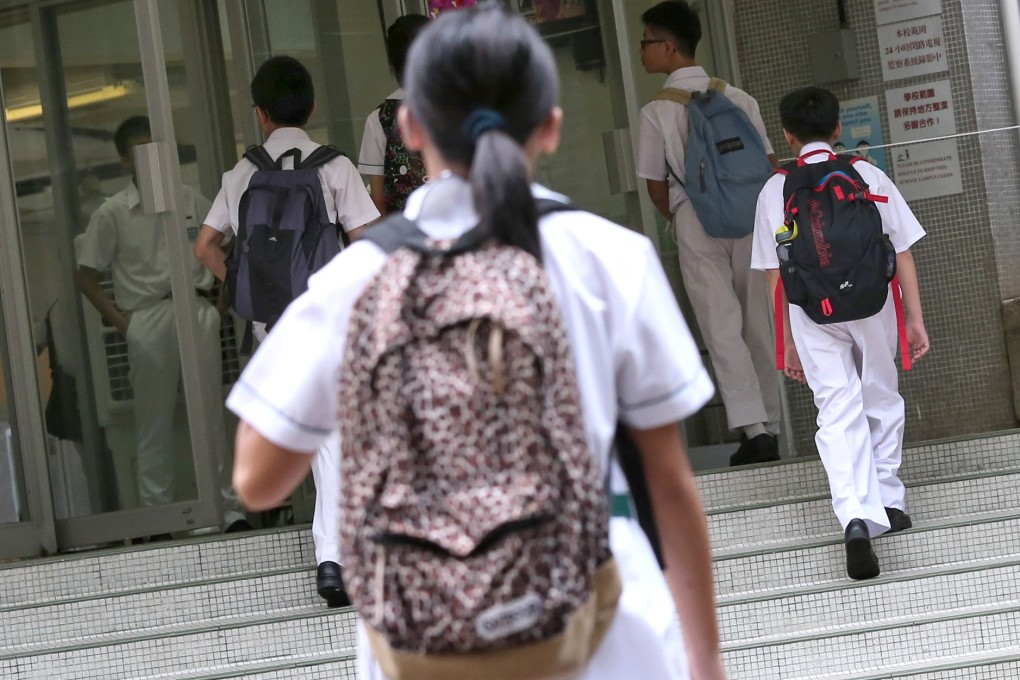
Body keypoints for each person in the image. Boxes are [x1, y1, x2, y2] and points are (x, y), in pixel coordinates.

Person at [228, 6, 725, 679]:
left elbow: (257, 480)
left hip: (422, 639)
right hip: (601, 633)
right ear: (549, 124)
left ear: (408, 126)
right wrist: (705, 660)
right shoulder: (611, 257)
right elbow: (668, 483)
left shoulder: (356, 278)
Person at [193, 56, 379, 606]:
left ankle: (336, 553)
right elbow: (367, 243)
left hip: (271, 320)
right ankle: (333, 558)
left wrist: (246, 284)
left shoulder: (242, 172)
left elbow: (204, 246)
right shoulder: (336, 167)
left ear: (260, 113)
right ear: (313, 106)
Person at [751, 86, 930, 579]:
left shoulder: (774, 190)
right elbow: (905, 251)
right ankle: (889, 501)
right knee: (879, 392)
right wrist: (913, 318)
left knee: (836, 408)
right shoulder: (866, 174)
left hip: (811, 310)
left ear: (787, 135)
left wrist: (785, 342)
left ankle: (854, 514)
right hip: (873, 302)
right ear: (837, 130)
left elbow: (774, 277)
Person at [75, 115, 248, 536]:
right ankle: (159, 517)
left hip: (196, 309)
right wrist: (124, 324)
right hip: (147, 316)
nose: (152, 158)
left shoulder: (190, 199)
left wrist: (220, 303)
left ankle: (226, 511)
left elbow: (227, 244)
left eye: (157, 148)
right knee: (153, 421)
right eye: (141, 150)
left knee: (209, 413)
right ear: (124, 159)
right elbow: (85, 274)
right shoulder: (113, 211)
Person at [636, 0, 783, 466]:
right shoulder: (740, 99)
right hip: (751, 218)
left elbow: (655, 185)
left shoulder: (656, 111)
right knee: (756, 321)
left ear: (668, 47)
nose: (641, 53)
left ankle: (753, 429)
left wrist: (681, 216)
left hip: (696, 221)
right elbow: (769, 164)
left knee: (720, 326)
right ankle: (773, 425)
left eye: (645, 43)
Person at [357, 13, 430, 215]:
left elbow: (378, 201)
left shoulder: (380, 118)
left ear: (393, 65)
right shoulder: (461, 108)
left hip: (404, 235)